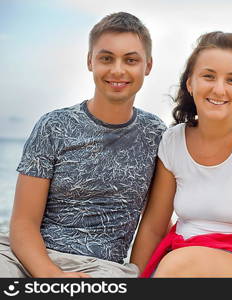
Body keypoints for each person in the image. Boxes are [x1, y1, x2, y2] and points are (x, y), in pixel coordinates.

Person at [0, 12, 166, 278]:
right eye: (106, 58)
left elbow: (154, 226)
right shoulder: (53, 126)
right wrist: (51, 276)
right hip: (25, 257)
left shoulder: (156, 134)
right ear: (90, 61)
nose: (117, 70)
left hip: (101, 268)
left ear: (147, 65)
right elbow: (22, 223)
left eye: (131, 60)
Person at [129, 31, 232, 278]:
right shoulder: (173, 140)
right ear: (190, 83)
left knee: (178, 265)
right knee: (177, 265)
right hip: (180, 259)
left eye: (231, 80)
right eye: (208, 76)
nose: (219, 89)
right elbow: (154, 227)